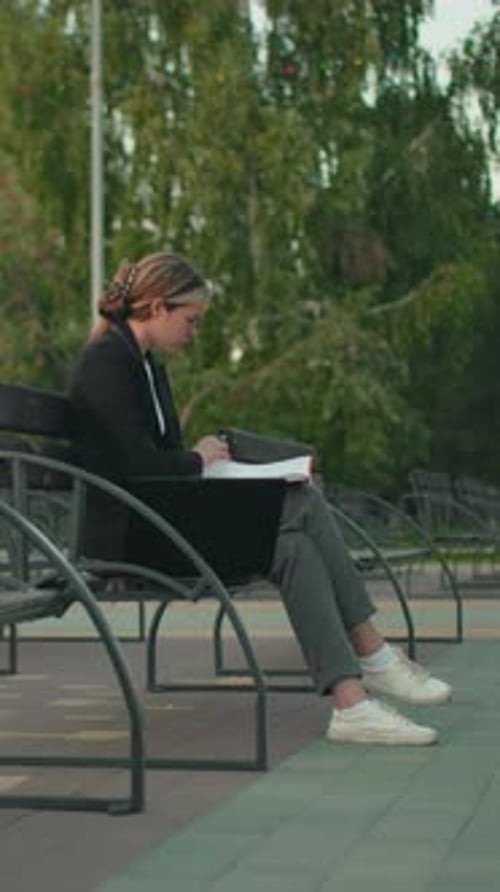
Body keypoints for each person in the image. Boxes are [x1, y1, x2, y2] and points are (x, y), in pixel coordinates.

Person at [69, 250, 452, 746]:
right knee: (303, 504)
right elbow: (137, 468)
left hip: (157, 520)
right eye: (192, 320)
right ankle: (372, 653)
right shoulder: (106, 363)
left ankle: (352, 705)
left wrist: (204, 465)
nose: (195, 331)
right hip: (130, 538)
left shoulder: (143, 365)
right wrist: (199, 459)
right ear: (159, 307)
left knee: (294, 542)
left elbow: (151, 463)